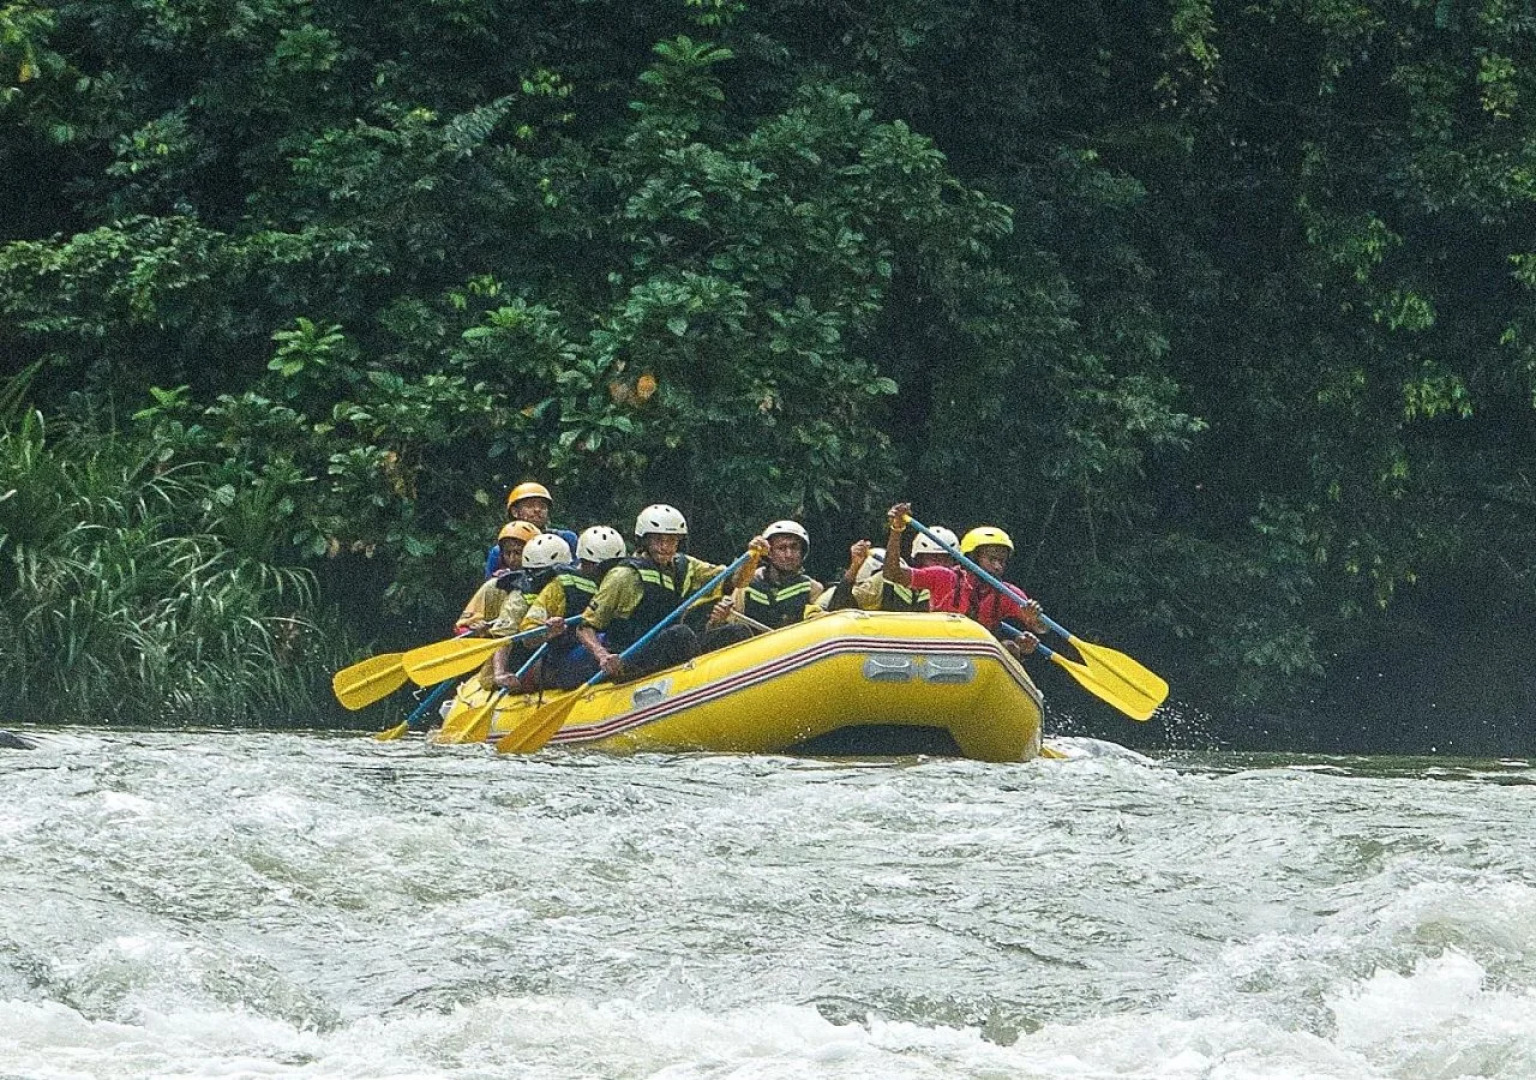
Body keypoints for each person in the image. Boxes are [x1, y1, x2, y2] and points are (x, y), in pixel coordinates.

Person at [575, 504, 767, 682]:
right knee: (680, 634)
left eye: (672, 541)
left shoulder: (685, 566)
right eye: (658, 540)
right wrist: (602, 655)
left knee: (737, 632)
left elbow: (737, 581)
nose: (665, 547)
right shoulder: (623, 575)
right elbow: (585, 627)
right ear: (645, 541)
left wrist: (753, 556)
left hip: (672, 647)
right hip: (633, 655)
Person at [505, 525, 628, 691]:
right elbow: (528, 636)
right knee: (607, 640)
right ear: (585, 562)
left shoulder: (620, 581)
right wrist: (547, 632)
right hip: (563, 661)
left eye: (615, 566)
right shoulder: (559, 585)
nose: (610, 573)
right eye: (603, 568)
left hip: (599, 652)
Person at [714, 520, 823, 631]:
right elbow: (719, 630)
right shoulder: (746, 586)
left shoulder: (813, 589)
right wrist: (719, 619)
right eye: (782, 548)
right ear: (769, 553)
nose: (789, 555)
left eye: (794, 548)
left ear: (802, 552)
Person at [457, 520, 540, 633]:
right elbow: (461, 628)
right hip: (500, 643)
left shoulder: (550, 581)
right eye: (507, 553)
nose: (512, 559)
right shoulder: (495, 585)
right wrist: (476, 630)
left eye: (518, 553)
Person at [483, 481, 580, 578]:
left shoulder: (566, 538)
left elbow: (579, 571)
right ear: (515, 512)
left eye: (543, 506)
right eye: (530, 505)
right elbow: (489, 586)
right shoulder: (501, 550)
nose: (537, 510)